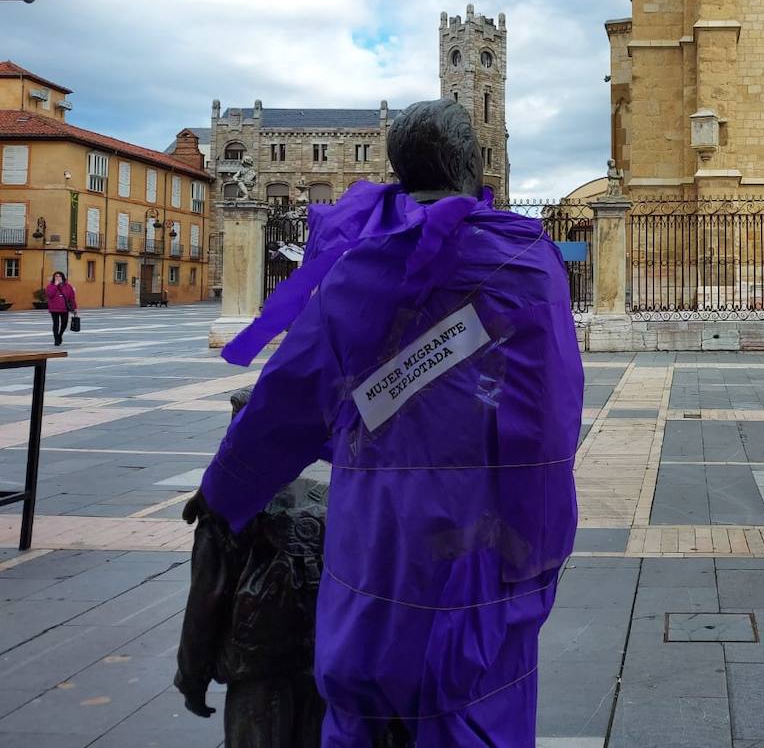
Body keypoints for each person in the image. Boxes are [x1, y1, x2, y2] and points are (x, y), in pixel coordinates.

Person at [186, 99, 583, 747]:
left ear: (399, 168)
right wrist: (536, 541)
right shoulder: (530, 265)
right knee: (478, 704)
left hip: (379, 536)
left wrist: (224, 489)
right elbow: (553, 411)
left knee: (368, 701)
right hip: (484, 540)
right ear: (469, 164)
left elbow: (290, 393)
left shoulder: (361, 268)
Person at [175, 388, 328, 748]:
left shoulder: (223, 508)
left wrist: (191, 677)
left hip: (254, 667)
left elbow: (205, 600)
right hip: (317, 659)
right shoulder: (325, 497)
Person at [44, 272, 76, 346]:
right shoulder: (50, 286)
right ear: (54, 278)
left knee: (64, 324)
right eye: (56, 276)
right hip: (54, 308)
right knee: (56, 324)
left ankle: (60, 335)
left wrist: (74, 308)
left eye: (59, 276)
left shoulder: (68, 286)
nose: (58, 278)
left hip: (64, 308)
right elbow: (49, 295)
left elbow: (72, 298)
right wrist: (55, 285)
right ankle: (56, 339)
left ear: (62, 277)